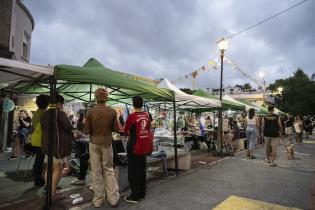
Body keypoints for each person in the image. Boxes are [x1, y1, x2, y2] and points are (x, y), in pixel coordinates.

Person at [83, 88, 120, 208]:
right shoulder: (112, 111)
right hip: (107, 142)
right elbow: (117, 129)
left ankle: (98, 200)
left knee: (96, 171)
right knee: (108, 170)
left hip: (94, 142)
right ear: (106, 97)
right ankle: (113, 199)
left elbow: (86, 130)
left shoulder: (90, 112)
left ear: (95, 97)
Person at [41, 95, 73, 199]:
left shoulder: (45, 114)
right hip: (57, 146)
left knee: (49, 168)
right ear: (58, 103)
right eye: (62, 103)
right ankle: (52, 193)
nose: (62, 105)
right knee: (57, 169)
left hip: (47, 144)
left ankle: (49, 190)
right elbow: (68, 127)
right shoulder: (60, 114)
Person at [124, 95, 152, 203]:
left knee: (133, 171)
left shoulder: (132, 116)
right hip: (144, 146)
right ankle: (142, 193)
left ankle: (135, 196)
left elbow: (126, 131)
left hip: (134, 146)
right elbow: (148, 129)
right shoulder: (147, 115)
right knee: (142, 170)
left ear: (133, 103)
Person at [31, 94, 50, 187]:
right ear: (47, 103)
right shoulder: (45, 113)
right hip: (42, 140)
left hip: (35, 140)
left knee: (38, 160)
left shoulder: (36, 112)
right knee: (41, 161)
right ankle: (38, 180)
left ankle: (36, 177)